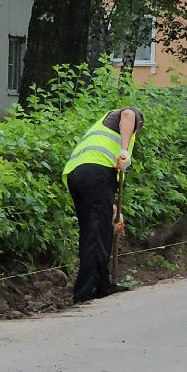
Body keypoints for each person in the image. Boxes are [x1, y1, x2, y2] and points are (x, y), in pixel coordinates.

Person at [61, 106, 142, 303]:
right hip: (96, 173)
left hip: (77, 175)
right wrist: (124, 149)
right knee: (96, 232)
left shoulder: (102, 130)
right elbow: (129, 114)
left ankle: (101, 283)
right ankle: (85, 292)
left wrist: (112, 211)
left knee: (93, 231)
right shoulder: (127, 117)